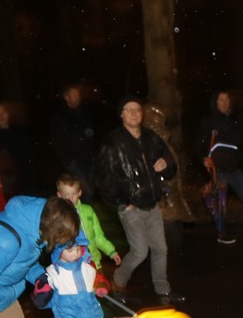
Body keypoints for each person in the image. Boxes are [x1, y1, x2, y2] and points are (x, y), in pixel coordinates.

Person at [94, 97, 183, 305]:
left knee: (160, 249)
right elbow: (103, 178)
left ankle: (163, 290)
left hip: (152, 204)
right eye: (129, 109)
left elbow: (170, 163)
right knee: (140, 251)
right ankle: (118, 283)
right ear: (122, 114)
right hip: (131, 207)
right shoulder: (113, 142)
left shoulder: (151, 138)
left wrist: (166, 163)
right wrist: (122, 202)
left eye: (137, 109)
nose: (134, 113)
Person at [35, 202, 107, 318]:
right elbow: (43, 302)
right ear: (58, 250)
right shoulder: (54, 274)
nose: (75, 253)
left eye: (78, 249)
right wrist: (42, 293)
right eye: (69, 250)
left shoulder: (87, 268)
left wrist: (101, 287)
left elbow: (98, 281)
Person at [196, 90, 243, 245]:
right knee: (220, 204)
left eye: (227, 99)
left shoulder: (236, 121)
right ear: (215, 103)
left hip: (234, 169)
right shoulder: (208, 122)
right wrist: (203, 159)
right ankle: (222, 234)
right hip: (217, 170)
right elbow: (199, 145)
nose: (224, 103)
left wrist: (240, 159)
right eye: (221, 100)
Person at [56, 174, 120, 271]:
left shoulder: (88, 211)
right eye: (66, 195)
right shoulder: (58, 216)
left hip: (94, 261)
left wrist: (111, 251)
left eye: (73, 194)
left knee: (100, 280)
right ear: (59, 195)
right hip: (72, 265)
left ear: (79, 193)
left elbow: (98, 236)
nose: (70, 198)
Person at [50, 84, 101, 199]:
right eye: (74, 95)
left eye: (78, 95)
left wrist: (94, 155)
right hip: (74, 163)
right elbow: (56, 141)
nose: (77, 97)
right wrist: (67, 161)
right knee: (86, 191)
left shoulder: (85, 113)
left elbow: (91, 135)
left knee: (89, 190)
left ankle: (84, 209)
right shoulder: (60, 117)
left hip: (88, 160)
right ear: (66, 97)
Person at [0, 102, 41, 197]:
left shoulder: (19, 131)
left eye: (3, 112)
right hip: (9, 183)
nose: (1, 116)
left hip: (28, 177)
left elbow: (30, 153)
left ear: (7, 114)